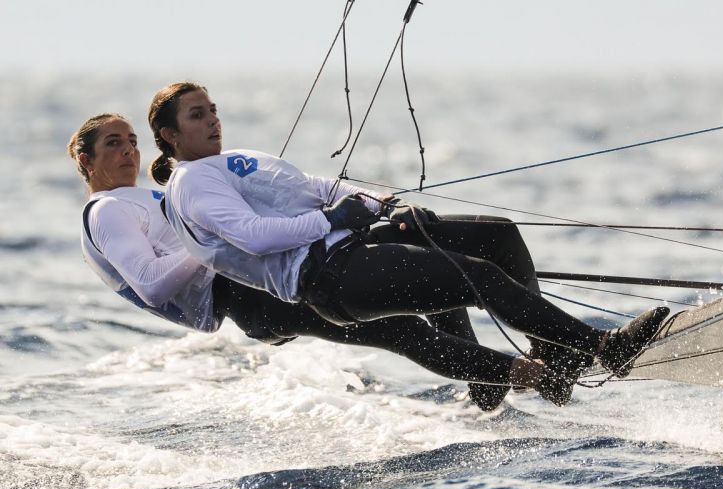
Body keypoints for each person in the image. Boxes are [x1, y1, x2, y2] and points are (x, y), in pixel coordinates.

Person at [148, 81, 670, 397]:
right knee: (478, 277)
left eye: (212, 108)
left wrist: (385, 206)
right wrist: (333, 221)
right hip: (328, 280)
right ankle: (605, 348)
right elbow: (254, 238)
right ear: (170, 136)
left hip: (351, 251)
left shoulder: (241, 160)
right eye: (198, 115)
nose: (212, 119)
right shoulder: (191, 182)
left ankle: (559, 357)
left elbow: (320, 186)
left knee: (492, 243)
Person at [69, 113, 590, 411]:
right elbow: (153, 286)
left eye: (132, 141)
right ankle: (525, 372)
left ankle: (506, 374)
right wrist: (210, 244)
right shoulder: (110, 211)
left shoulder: (148, 198)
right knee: (402, 326)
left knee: (420, 277)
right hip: (247, 297)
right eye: (113, 144)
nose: (129, 151)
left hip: (266, 275)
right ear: (86, 160)